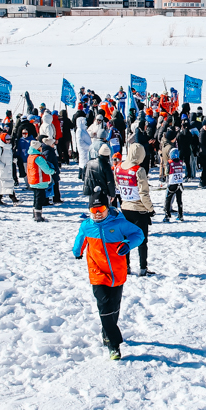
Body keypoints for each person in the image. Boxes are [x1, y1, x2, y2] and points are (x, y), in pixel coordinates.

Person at [72, 203, 144, 360]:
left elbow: (138, 234)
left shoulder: (118, 223)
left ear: (107, 210)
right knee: (104, 305)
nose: (98, 214)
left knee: (114, 305)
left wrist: (127, 244)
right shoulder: (86, 226)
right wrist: (77, 252)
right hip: (97, 272)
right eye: (94, 210)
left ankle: (106, 332)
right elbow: (80, 240)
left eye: (101, 210)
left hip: (117, 272)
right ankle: (114, 345)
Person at [116, 142, 155, 275]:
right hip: (139, 209)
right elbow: (144, 193)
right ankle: (143, 267)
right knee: (142, 239)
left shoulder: (118, 167)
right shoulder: (139, 170)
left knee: (126, 238)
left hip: (125, 208)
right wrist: (151, 209)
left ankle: (126, 266)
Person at [27, 141, 53, 222]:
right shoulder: (38, 158)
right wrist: (52, 171)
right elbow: (46, 169)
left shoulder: (30, 156)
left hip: (33, 180)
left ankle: (34, 214)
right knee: (39, 199)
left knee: (36, 198)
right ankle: (38, 216)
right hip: (39, 180)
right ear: (37, 148)